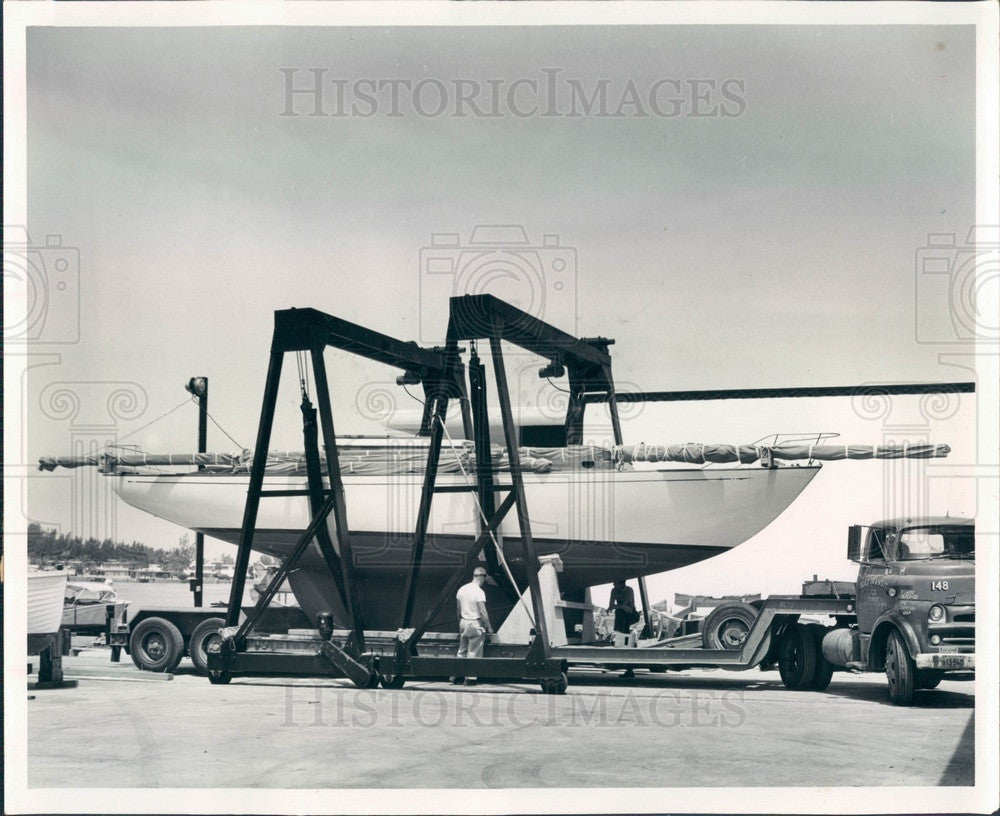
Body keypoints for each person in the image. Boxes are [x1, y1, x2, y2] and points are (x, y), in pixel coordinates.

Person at [451, 566, 493, 686]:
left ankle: (456, 676)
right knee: (474, 651)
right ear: (483, 577)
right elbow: (483, 612)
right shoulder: (479, 592)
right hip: (475, 623)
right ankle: (470, 679)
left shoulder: (462, 589)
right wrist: (489, 627)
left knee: (462, 650)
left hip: (463, 622)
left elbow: (458, 609)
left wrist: (461, 622)